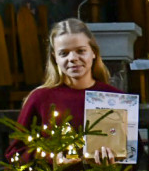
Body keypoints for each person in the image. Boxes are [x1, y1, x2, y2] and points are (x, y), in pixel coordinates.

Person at [7, 18, 119, 163]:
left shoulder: (114, 97)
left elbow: (134, 155)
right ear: (55, 58)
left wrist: (113, 160)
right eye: (64, 53)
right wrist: (52, 159)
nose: (73, 58)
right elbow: (15, 154)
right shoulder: (40, 98)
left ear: (93, 52)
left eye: (81, 51)